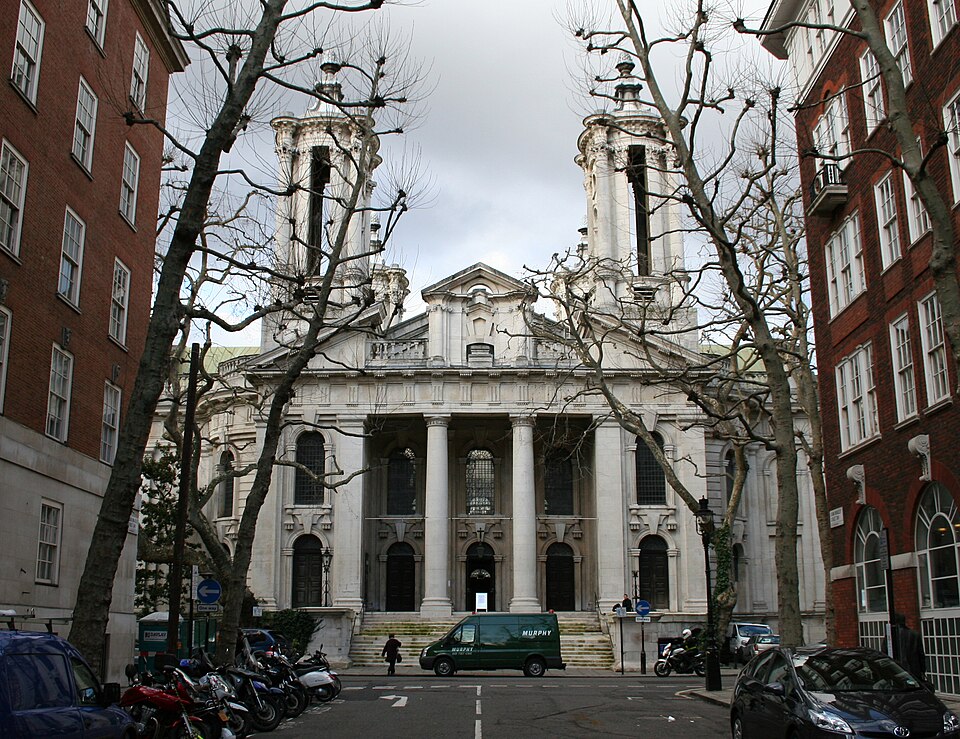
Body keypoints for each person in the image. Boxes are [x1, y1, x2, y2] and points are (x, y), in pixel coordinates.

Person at [893, 613, 926, 683]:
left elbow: (884, 653)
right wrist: (923, 670)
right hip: (914, 670)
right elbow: (921, 655)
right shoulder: (915, 634)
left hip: (896, 671)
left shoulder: (891, 636)